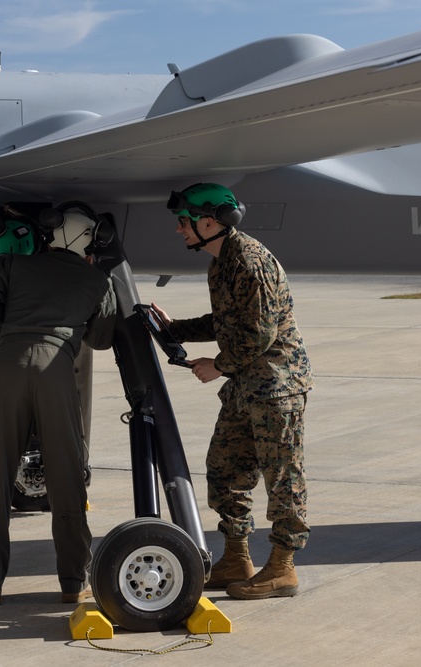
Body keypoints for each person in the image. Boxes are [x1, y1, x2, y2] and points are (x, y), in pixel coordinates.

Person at [150, 183, 313, 601]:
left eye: (184, 222)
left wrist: (217, 366)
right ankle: (236, 558)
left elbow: (260, 331)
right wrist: (174, 329)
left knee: (282, 479)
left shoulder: (249, 260)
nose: (179, 230)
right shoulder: (221, 263)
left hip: (276, 386)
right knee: (225, 471)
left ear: (211, 221)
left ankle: (281, 568)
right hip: (247, 385)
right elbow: (226, 321)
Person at [0, 209, 116, 606]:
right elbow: (102, 338)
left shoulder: (15, 264)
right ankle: (72, 582)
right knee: (66, 474)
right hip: (56, 371)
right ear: (85, 241)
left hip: (8, 363)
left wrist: (10, 324)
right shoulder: (97, 279)